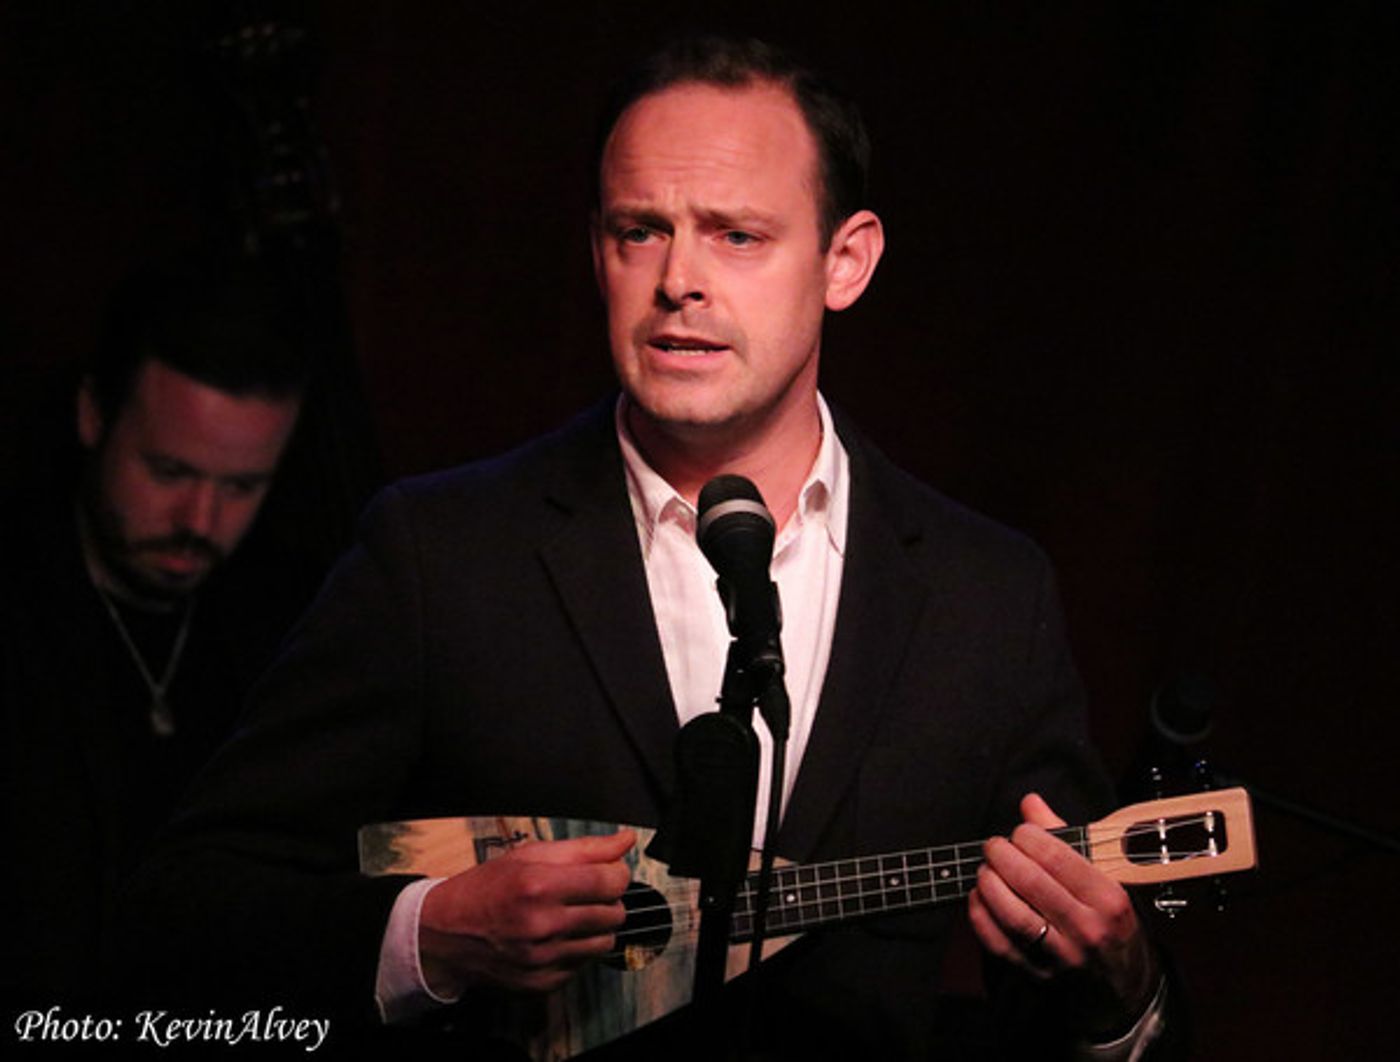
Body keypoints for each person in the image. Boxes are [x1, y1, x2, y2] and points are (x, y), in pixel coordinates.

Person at [123, 38, 1176, 1059]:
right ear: (597, 250)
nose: (678, 280)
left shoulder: (982, 597)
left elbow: (1077, 976)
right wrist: (429, 937)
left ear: (845, 262)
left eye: (737, 236)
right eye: (640, 230)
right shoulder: (442, 554)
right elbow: (189, 906)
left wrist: (1122, 986)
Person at [0, 250, 315, 1008]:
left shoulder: (290, 618)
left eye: (241, 486)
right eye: (169, 472)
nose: (199, 522)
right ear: (93, 415)